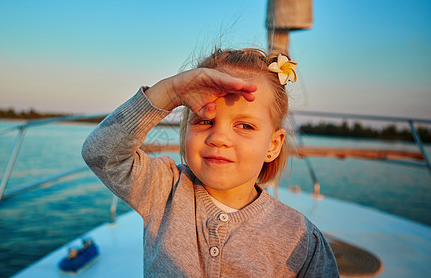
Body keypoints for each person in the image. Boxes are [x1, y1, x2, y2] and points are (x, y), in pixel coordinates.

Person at [82, 48, 339, 277]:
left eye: (245, 125)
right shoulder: (164, 191)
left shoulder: (301, 239)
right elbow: (100, 152)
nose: (218, 138)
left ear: (273, 145)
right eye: (205, 121)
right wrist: (169, 91)